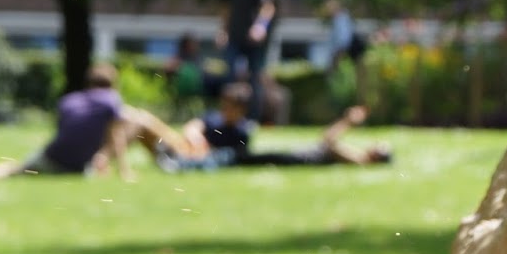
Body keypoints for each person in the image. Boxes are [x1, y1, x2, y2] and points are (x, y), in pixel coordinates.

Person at [0, 63, 131, 183]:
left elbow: (64, 131)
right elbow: (117, 135)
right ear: (113, 84)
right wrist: (123, 170)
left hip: (53, 155)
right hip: (77, 166)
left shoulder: (69, 100)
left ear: (90, 82)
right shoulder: (111, 100)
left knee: (17, 168)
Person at [157, 82, 391, 171]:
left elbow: (327, 142)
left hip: (298, 159)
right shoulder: (359, 157)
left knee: (236, 158)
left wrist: (347, 122)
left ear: (377, 157)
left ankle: (179, 164)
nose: (374, 144)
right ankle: (178, 161)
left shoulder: (359, 159)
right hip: (295, 156)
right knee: (239, 158)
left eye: (378, 147)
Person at [217, 0, 277, 123]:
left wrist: (260, 26)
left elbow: (268, 6)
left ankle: (252, 118)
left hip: (253, 40)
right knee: (229, 76)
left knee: (254, 78)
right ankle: (228, 117)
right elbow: (226, 8)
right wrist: (223, 31)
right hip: (234, 37)